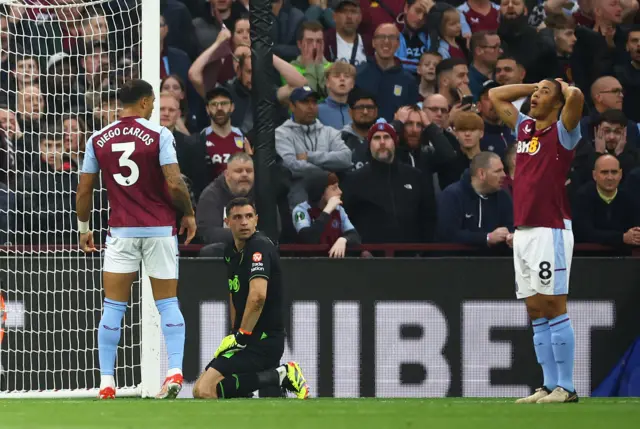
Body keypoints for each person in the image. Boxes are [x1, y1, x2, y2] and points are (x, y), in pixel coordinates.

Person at [75, 79, 197, 400]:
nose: (155, 107)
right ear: (144, 102)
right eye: (154, 102)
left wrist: (84, 228)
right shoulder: (160, 135)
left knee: (113, 307)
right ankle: (174, 371)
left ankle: (106, 381)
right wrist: (188, 212)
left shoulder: (97, 139)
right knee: (167, 303)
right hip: (159, 229)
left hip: (121, 231)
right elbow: (174, 183)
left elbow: (85, 190)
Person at [489, 77, 584, 403]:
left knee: (553, 304)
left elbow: (577, 99)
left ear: (557, 103)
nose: (536, 96)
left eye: (545, 94)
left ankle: (567, 387)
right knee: (534, 308)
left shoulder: (563, 132)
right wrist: (534, 84)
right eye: (536, 92)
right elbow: (495, 95)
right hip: (525, 229)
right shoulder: (525, 129)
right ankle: (547, 385)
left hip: (550, 227)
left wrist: (563, 87)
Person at [192, 198, 310, 400]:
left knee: (204, 390)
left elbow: (258, 297)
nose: (244, 222)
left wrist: (241, 336)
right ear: (227, 221)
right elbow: (233, 292)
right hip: (246, 339)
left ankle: (281, 375)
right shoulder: (231, 251)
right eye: (237, 217)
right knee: (207, 390)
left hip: (263, 340)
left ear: (256, 220)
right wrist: (233, 332)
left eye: (248, 216)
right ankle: (274, 379)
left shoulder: (259, 247)